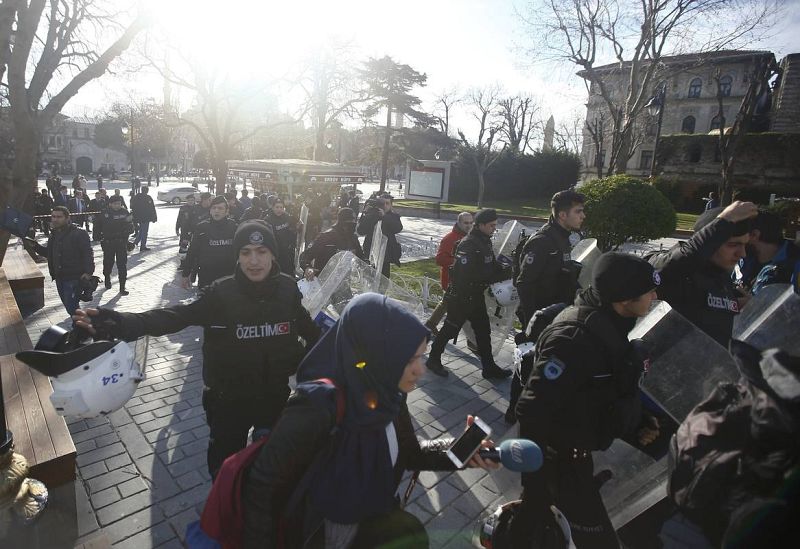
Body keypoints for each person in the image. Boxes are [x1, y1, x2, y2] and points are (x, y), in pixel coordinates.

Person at [241, 292, 497, 548]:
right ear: (375, 355)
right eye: (409, 359)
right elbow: (262, 486)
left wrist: (463, 450)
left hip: (374, 523)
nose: (421, 369)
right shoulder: (317, 405)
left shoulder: (388, 393)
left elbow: (410, 453)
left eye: (421, 356)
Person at [74, 220, 321, 478]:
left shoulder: (287, 288)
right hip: (228, 401)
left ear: (272, 254)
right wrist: (123, 323)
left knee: (271, 469)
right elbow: (177, 316)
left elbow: (310, 330)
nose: (254, 261)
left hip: (274, 397)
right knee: (225, 471)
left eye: (261, 252)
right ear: (237, 256)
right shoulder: (221, 293)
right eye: (245, 252)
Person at [513, 252, 662, 549]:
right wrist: (535, 487)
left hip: (589, 454)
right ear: (624, 299)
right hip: (563, 463)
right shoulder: (574, 338)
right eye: (648, 291)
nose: (655, 296)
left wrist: (639, 419)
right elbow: (532, 411)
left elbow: (604, 387)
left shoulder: (612, 323)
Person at [648, 201, 758, 348]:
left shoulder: (721, 277)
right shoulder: (671, 268)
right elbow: (681, 261)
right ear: (708, 240)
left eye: (744, 245)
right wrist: (725, 221)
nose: (742, 253)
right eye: (733, 245)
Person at [426, 209, 511, 380]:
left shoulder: (484, 241)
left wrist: (507, 268)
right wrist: (491, 277)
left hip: (476, 295)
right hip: (462, 296)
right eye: (492, 225)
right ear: (481, 225)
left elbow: (491, 265)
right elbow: (464, 274)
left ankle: (488, 367)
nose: (495, 228)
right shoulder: (468, 244)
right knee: (450, 329)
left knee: (483, 330)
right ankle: (433, 359)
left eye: (495, 225)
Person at [516, 190, 585, 327]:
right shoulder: (542, 241)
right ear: (563, 215)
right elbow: (524, 284)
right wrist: (533, 322)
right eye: (578, 212)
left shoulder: (562, 237)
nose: (583, 216)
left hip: (557, 313)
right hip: (541, 318)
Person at [31, 206, 94, 317]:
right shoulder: (54, 234)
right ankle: (82, 329)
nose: (55, 219)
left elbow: (88, 253)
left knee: (72, 308)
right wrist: (35, 246)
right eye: (53, 216)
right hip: (60, 278)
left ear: (67, 218)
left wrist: (88, 272)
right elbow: (49, 254)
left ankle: (84, 330)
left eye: (59, 217)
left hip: (74, 278)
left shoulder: (79, 233)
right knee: (71, 308)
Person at [425, 212, 474, 334]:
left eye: (471, 223)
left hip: (465, 279)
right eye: (465, 223)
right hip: (451, 279)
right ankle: (471, 339)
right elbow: (440, 259)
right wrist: (461, 261)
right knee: (460, 307)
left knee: (446, 303)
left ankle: (430, 325)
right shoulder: (449, 239)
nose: (469, 225)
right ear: (458, 223)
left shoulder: (471, 238)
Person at [182, 196, 238, 289]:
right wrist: (185, 274)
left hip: (229, 277)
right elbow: (192, 252)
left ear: (227, 211)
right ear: (210, 210)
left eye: (220, 208)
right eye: (214, 208)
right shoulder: (202, 228)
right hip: (206, 277)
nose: (216, 211)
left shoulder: (234, 227)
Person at [742, 209, 800, 294]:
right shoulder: (742, 259)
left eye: (741, 234)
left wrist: (753, 303)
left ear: (755, 235)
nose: (738, 241)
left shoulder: (794, 264)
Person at [299, 208, 365, 278]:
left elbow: (361, 258)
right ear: (341, 222)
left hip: (345, 281)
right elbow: (305, 255)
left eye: (353, 221)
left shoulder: (353, 238)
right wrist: (308, 268)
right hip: (324, 280)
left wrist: (368, 265)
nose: (352, 224)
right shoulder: (326, 236)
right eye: (349, 222)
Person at [358, 195, 403, 279]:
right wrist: (365, 213)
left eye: (387, 203)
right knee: (369, 279)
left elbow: (397, 228)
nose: (385, 206)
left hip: (385, 255)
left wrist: (384, 216)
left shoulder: (394, 216)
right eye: (382, 203)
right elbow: (360, 231)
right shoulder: (372, 214)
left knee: (384, 280)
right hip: (370, 252)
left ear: (391, 205)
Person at [101, 195, 134, 295]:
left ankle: (122, 287)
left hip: (121, 243)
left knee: (122, 265)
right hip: (109, 243)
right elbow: (101, 227)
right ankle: (107, 277)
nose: (117, 205)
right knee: (108, 263)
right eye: (115, 204)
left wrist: (127, 228)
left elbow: (131, 226)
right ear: (110, 204)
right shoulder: (105, 213)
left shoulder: (124, 212)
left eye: (119, 203)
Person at [264, 198, 299, 275]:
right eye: (277, 207)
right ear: (273, 207)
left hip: (288, 251)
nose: (279, 209)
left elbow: (293, 228)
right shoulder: (267, 220)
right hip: (276, 252)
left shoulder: (287, 216)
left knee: (289, 271)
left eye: (281, 207)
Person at [130, 185, 157, 252]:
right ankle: (142, 246)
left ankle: (135, 243)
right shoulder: (148, 198)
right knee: (144, 232)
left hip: (139, 217)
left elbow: (133, 206)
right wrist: (154, 217)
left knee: (141, 231)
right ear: (147, 191)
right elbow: (152, 208)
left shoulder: (137, 197)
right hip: (146, 217)